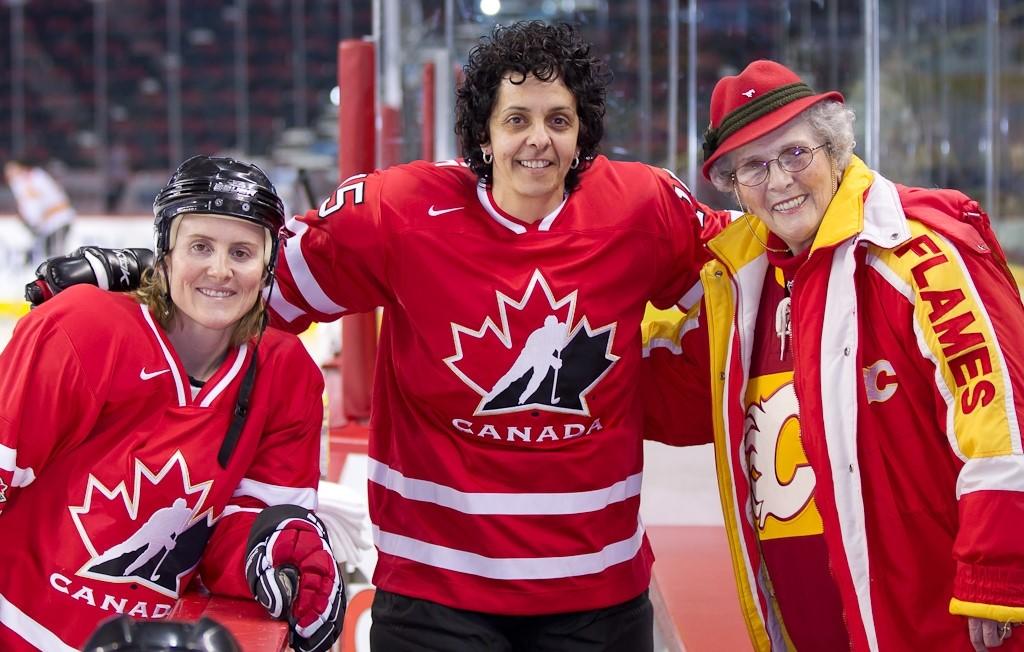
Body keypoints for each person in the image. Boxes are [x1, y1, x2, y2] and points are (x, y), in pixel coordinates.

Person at [26, 22, 726, 651]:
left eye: (558, 120)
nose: (537, 139)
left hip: (597, 596)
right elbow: (255, 286)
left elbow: (742, 276)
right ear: (482, 134)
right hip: (436, 601)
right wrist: (139, 277)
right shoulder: (400, 211)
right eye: (516, 119)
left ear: (583, 134)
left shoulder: (642, 207)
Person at [643, 59, 1024, 651]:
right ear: (735, 187)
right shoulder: (741, 283)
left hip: (930, 617)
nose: (780, 181)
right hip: (806, 620)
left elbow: (999, 414)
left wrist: (997, 574)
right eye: (753, 166)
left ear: (835, 148)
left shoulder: (918, 256)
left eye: (796, 154)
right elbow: (677, 395)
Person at [0, 156, 345, 652]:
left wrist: (273, 552)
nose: (221, 270)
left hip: (141, 640)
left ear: (269, 265)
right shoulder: (81, 329)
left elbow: (235, 528)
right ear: (164, 253)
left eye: (242, 252)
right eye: (200, 247)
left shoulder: (285, 373)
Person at [3, 158, 75, 264]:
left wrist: (44, 217)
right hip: (41, 227)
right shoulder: (18, 183)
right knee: (42, 256)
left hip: (56, 223)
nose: (9, 173)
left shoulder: (37, 177)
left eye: (12, 169)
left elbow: (59, 202)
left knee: (54, 257)